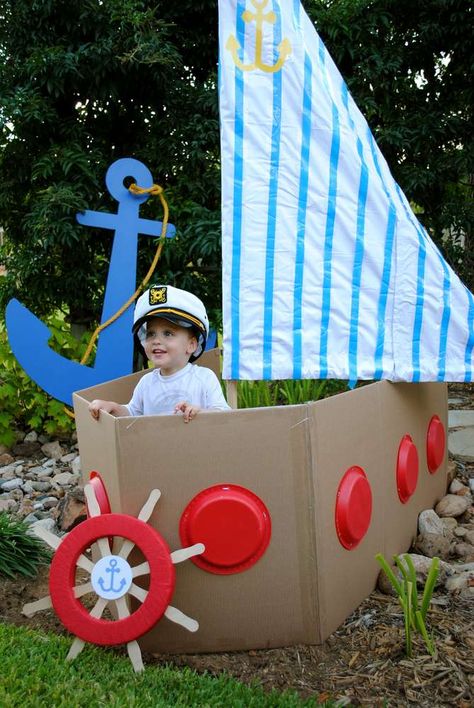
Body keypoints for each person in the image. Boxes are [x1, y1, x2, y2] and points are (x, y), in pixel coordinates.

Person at [88, 284, 230, 422]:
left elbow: (224, 415)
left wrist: (200, 412)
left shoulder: (204, 378)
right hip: (155, 446)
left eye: (168, 333)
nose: (156, 340)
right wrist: (112, 408)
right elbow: (131, 415)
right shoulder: (146, 383)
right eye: (150, 334)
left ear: (191, 345)